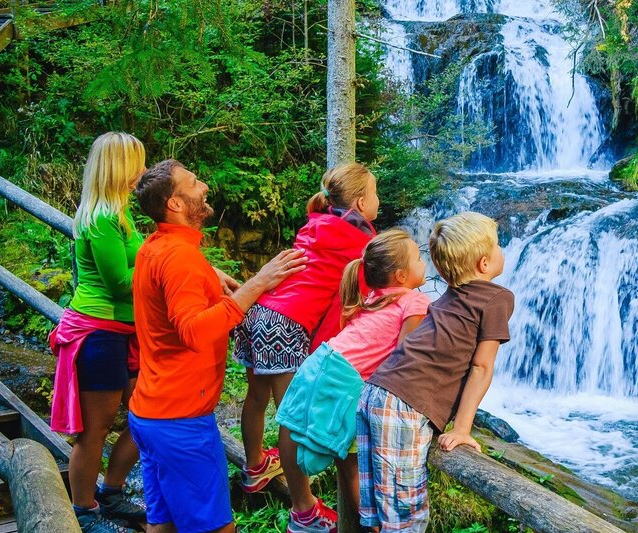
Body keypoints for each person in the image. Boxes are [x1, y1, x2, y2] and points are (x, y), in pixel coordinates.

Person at [127, 159, 307, 533]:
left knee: (163, 523)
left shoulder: (156, 245)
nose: (204, 185)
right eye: (194, 182)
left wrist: (209, 276)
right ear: (175, 203)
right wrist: (257, 283)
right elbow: (193, 331)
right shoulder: (179, 257)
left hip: (149, 413)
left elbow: (170, 283)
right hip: (181, 421)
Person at [232, 163, 378, 530]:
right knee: (294, 420)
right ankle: (303, 510)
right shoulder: (360, 244)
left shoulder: (316, 223)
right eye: (375, 194)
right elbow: (345, 304)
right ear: (362, 203)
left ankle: (255, 464)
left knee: (256, 396)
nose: (379, 200)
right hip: (287, 324)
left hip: (259, 311)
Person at [357, 212, 515, 531]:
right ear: (484, 263)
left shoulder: (449, 296)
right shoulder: (497, 298)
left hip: (375, 393)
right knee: (405, 520)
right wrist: (462, 429)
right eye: (498, 245)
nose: (502, 250)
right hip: (402, 407)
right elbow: (481, 366)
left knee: (378, 512)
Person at [275, 229, 430, 523]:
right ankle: (375, 525)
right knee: (354, 463)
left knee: (306, 434)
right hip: (345, 378)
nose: (424, 263)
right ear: (400, 275)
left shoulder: (374, 296)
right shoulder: (414, 301)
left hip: (322, 361)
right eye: (419, 259)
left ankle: (310, 512)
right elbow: (405, 357)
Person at [48, 132, 147, 533]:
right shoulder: (103, 218)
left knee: (146, 414)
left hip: (122, 331)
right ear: (121, 167)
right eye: (138, 162)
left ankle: (112, 491)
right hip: (98, 332)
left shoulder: (120, 214)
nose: (144, 169)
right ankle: (84, 510)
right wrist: (162, 267)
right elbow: (120, 283)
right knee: (95, 430)